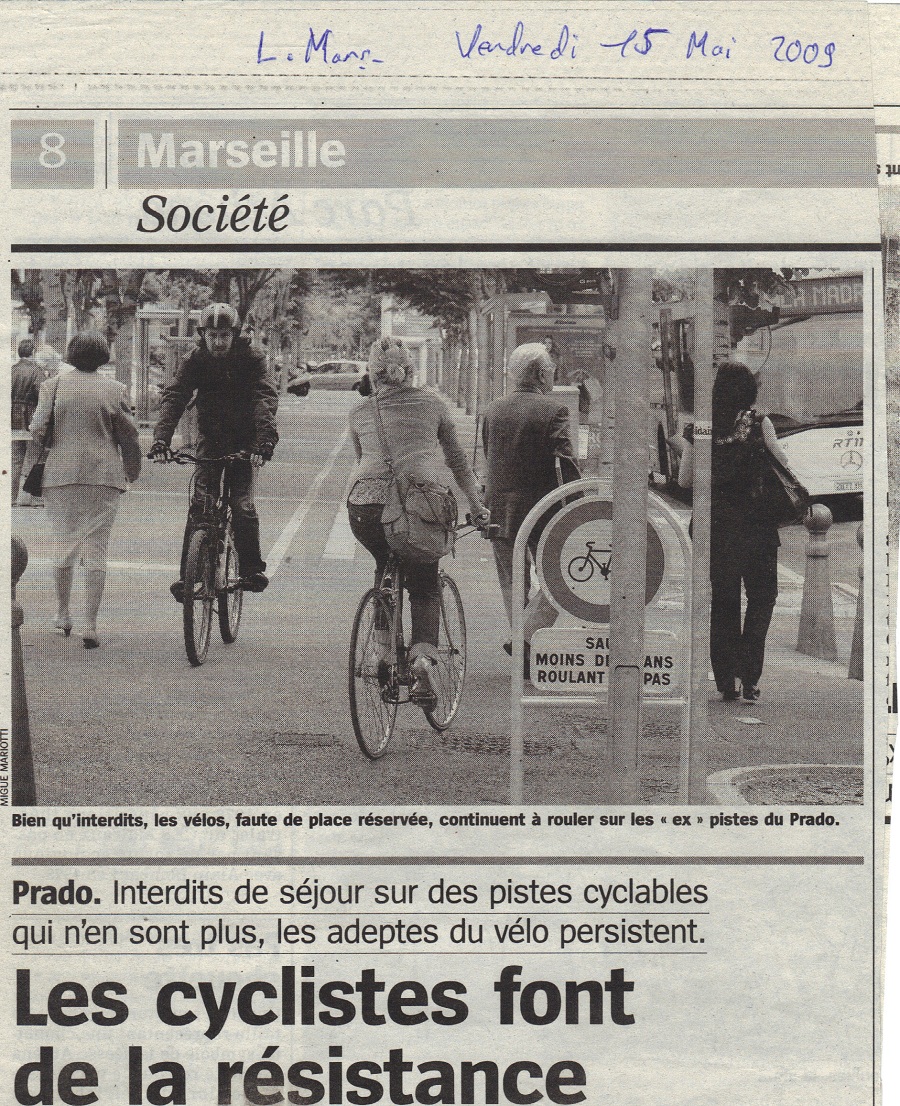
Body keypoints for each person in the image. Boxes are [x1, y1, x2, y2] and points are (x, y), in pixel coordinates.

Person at [347, 337, 489, 704]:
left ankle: (382, 652)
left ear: (372, 375)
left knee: (384, 565)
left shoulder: (360, 411)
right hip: (419, 507)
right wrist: (477, 507)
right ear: (410, 371)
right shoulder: (433, 404)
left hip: (365, 508)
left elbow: (361, 459)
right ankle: (423, 659)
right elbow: (458, 462)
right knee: (424, 582)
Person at [678, 361, 795, 702]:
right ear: (750, 391)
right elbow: (782, 463)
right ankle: (750, 677)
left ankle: (725, 680)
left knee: (724, 600)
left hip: (716, 527)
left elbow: (685, 480)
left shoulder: (698, 428)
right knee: (761, 599)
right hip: (758, 527)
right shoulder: (759, 423)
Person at [149, 303, 278, 598]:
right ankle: (188, 576)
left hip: (246, 440)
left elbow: (264, 399)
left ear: (234, 335)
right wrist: (161, 440)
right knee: (199, 504)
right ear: (203, 335)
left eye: (224, 335)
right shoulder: (194, 359)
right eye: (213, 335)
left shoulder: (251, 358)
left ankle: (250, 569)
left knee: (241, 505)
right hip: (211, 437)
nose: (218, 342)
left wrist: (263, 443)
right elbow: (176, 396)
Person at [28, 331, 141, 648]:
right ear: (104, 356)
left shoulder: (53, 386)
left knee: (64, 543)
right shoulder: (115, 389)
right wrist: (131, 471)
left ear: (71, 354)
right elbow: (129, 435)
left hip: (60, 476)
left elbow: (37, 429)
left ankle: (62, 614)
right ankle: (89, 624)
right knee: (96, 549)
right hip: (103, 476)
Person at [481, 342, 580, 664]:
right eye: (550, 370)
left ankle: (522, 643)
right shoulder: (554, 411)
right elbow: (566, 463)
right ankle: (526, 638)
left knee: (512, 581)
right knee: (558, 576)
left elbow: (489, 456)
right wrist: (579, 505)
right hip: (543, 508)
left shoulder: (493, 409)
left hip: (499, 508)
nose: (552, 376)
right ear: (540, 373)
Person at [11, 338, 45, 506]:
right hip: (31, 415)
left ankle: (11, 497)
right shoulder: (37, 371)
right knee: (34, 456)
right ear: (32, 353)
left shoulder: (11, 370)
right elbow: (42, 394)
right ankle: (32, 498)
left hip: (13, 417)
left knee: (16, 459)